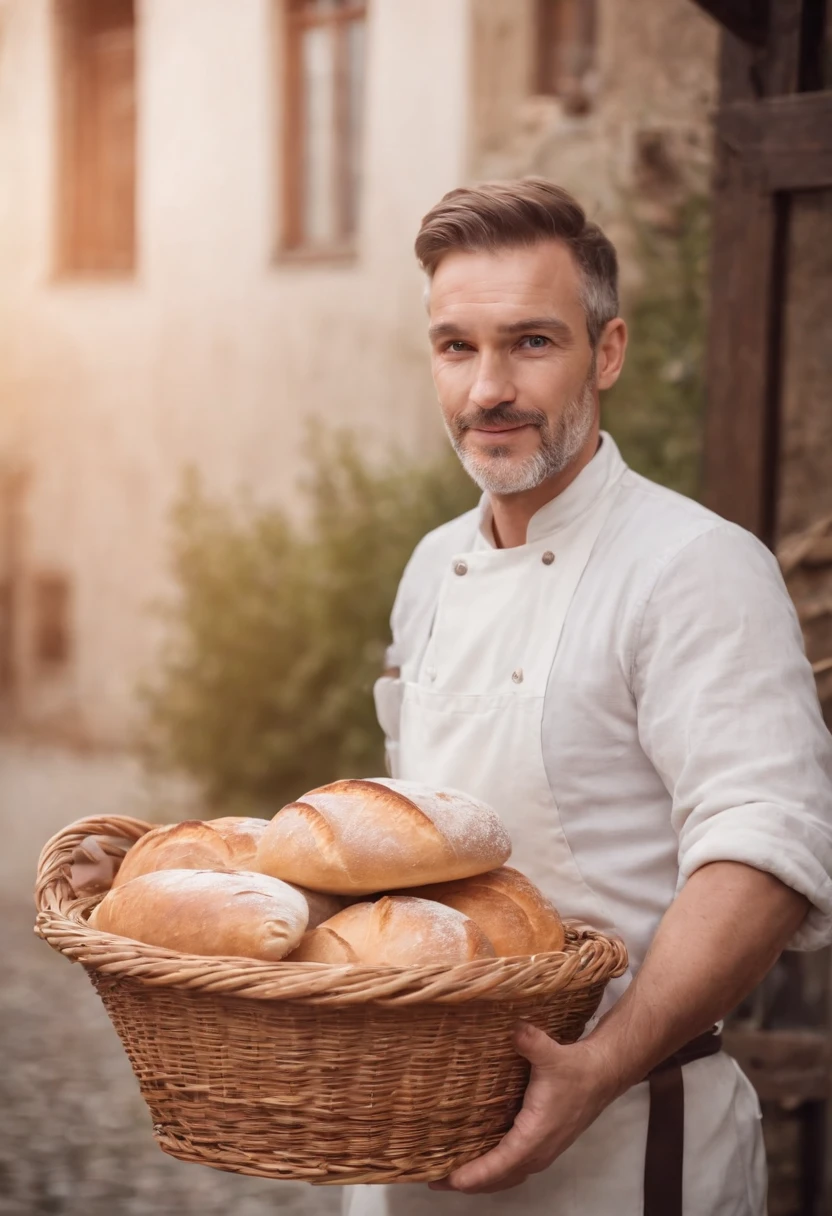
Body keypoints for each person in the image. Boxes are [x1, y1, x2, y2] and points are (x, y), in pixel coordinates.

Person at [342, 179, 832, 1216]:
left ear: (605, 352)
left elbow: (766, 850)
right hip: (420, 1138)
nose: (487, 390)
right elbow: (410, 847)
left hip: (625, 1144)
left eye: (530, 342)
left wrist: (598, 1067)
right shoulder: (433, 565)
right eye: (455, 347)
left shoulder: (695, 565)